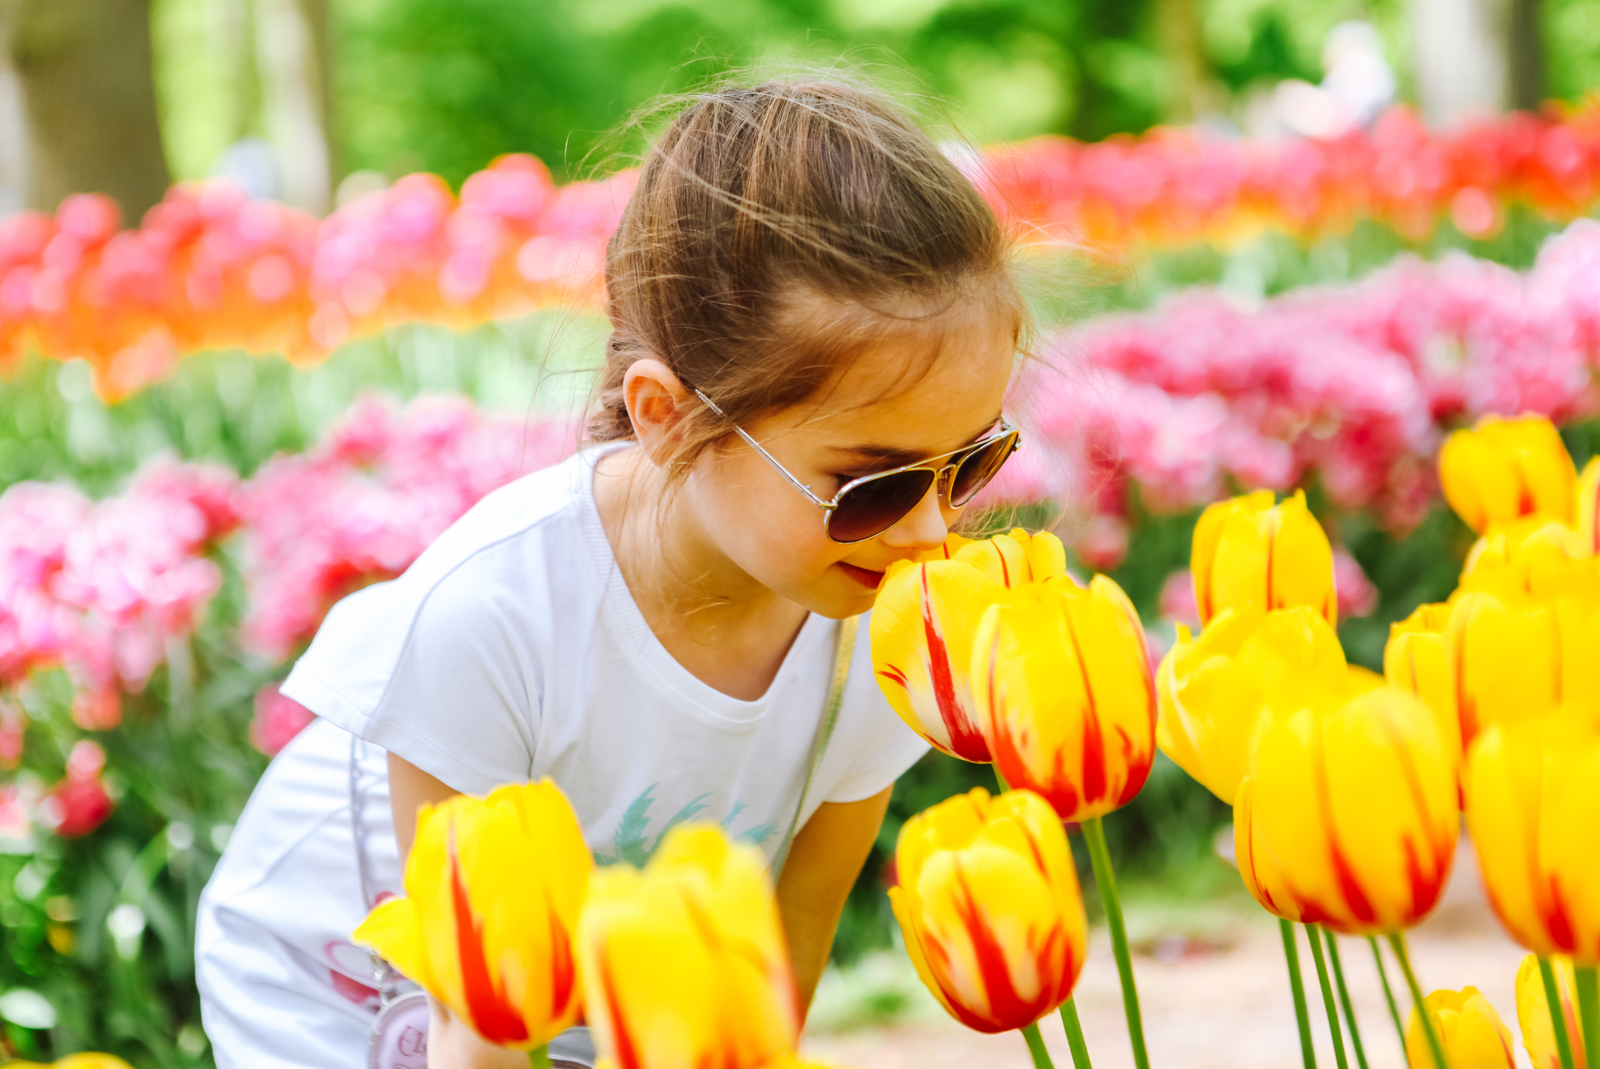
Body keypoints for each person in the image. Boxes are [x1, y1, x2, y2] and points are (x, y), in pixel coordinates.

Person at [195, 77, 1029, 1068]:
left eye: (972, 462)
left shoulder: (879, 629)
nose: (933, 529)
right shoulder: (491, 618)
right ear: (666, 416)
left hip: (589, 1013)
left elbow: (783, 954)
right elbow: (477, 1016)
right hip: (341, 987)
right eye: (872, 484)